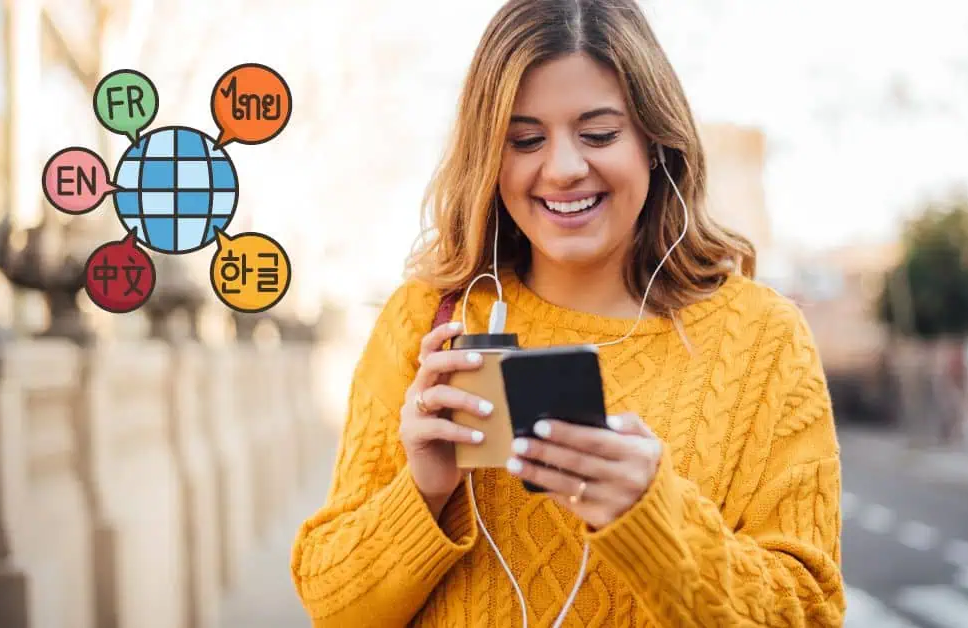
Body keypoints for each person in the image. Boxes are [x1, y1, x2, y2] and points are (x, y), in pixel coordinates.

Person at [290, 0, 845, 625]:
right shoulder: (426, 318)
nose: (563, 168)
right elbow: (331, 605)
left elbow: (811, 612)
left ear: (655, 141)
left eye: (599, 134)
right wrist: (422, 489)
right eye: (525, 140)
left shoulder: (763, 337)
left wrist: (653, 517)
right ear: (489, 159)